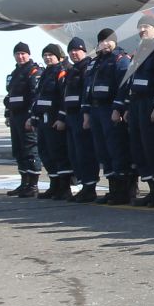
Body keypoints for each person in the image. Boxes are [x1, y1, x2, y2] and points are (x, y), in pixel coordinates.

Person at [121, 16, 154, 206]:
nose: (142, 30)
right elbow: (130, 81)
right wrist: (127, 106)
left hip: (150, 104)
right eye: (140, 27)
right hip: (136, 105)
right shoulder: (138, 51)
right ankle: (152, 188)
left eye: (146, 27)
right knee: (139, 148)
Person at [87, 28, 135, 204]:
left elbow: (123, 87)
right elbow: (89, 88)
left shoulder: (120, 60)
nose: (104, 44)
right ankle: (113, 188)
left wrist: (118, 108)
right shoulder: (97, 62)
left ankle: (123, 191)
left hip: (111, 110)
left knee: (117, 149)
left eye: (108, 40)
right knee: (104, 151)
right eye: (101, 41)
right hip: (97, 110)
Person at [59, 36, 100, 202]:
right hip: (70, 116)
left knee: (85, 152)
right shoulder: (72, 71)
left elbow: (87, 93)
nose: (74, 53)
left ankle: (90, 187)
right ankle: (84, 185)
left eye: (77, 50)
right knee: (75, 153)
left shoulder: (88, 69)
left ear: (84, 51)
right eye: (71, 51)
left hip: (81, 115)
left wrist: (86, 114)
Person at [32, 43, 73, 199]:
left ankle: (65, 187)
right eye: (45, 55)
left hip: (54, 120)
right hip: (43, 120)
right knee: (45, 152)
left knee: (58, 153)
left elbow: (64, 97)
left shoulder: (61, 73)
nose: (47, 58)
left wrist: (61, 117)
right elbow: (38, 97)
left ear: (59, 57)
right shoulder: (45, 74)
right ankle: (54, 185)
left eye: (51, 55)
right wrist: (34, 117)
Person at [1, 42, 42, 197]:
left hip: (26, 116)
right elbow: (9, 96)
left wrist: (32, 117)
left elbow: (35, 95)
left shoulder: (33, 72)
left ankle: (33, 185)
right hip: (15, 116)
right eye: (17, 54)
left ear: (29, 54)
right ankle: (24, 183)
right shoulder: (14, 74)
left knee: (30, 149)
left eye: (23, 53)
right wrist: (7, 115)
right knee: (18, 150)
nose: (20, 56)